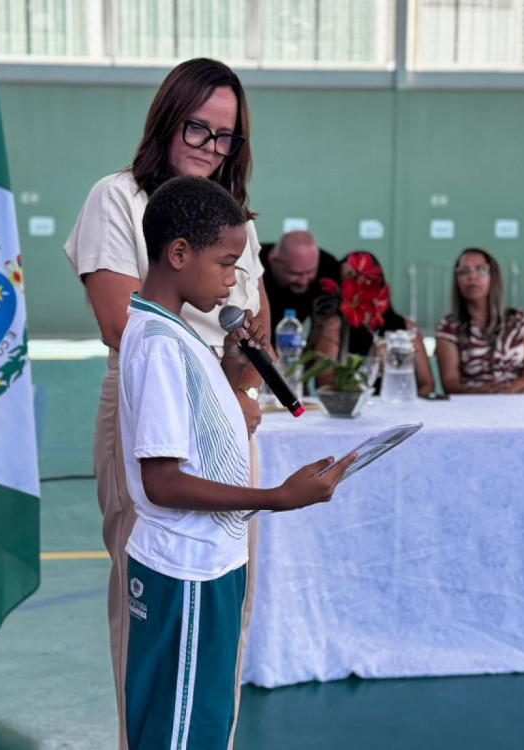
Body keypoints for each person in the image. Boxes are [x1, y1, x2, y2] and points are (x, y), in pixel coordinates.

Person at [62, 58, 270, 749]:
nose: (210, 147)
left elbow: (255, 320)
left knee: (224, 608)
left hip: (230, 410)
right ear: (166, 116)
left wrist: (241, 380)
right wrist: (225, 372)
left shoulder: (235, 218)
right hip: (153, 409)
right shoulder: (117, 198)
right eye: (198, 128)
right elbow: (125, 323)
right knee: (154, 617)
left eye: (225, 137)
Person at [121, 176, 353, 749]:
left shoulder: (176, 335)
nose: (234, 280)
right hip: (186, 569)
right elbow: (163, 480)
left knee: (203, 721)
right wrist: (276, 498)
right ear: (179, 254)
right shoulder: (158, 344)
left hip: (207, 563)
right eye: (227, 263)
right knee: (180, 732)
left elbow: (199, 432)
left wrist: (234, 367)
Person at [311, 251, 436, 396]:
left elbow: (427, 383)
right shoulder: (335, 326)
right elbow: (325, 382)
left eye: (362, 276)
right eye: (348, 278)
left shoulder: (406, 327)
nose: (356, 283)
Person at [435, 248, 524, 394]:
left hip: (520, 401)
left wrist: (511, 390)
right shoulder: (449, 327)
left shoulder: (518, 320)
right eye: (463, 271)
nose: (472, 276)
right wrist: (479, 394)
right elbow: (449, 382)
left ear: (493, 276)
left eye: (480, 269)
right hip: (473, 407)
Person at [259, 230, 341, 332]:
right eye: (295, 274)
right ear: (274, 261)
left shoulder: (328, 267)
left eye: (310, 272)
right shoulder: (253, 264)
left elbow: (330, 321)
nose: (303, 282)